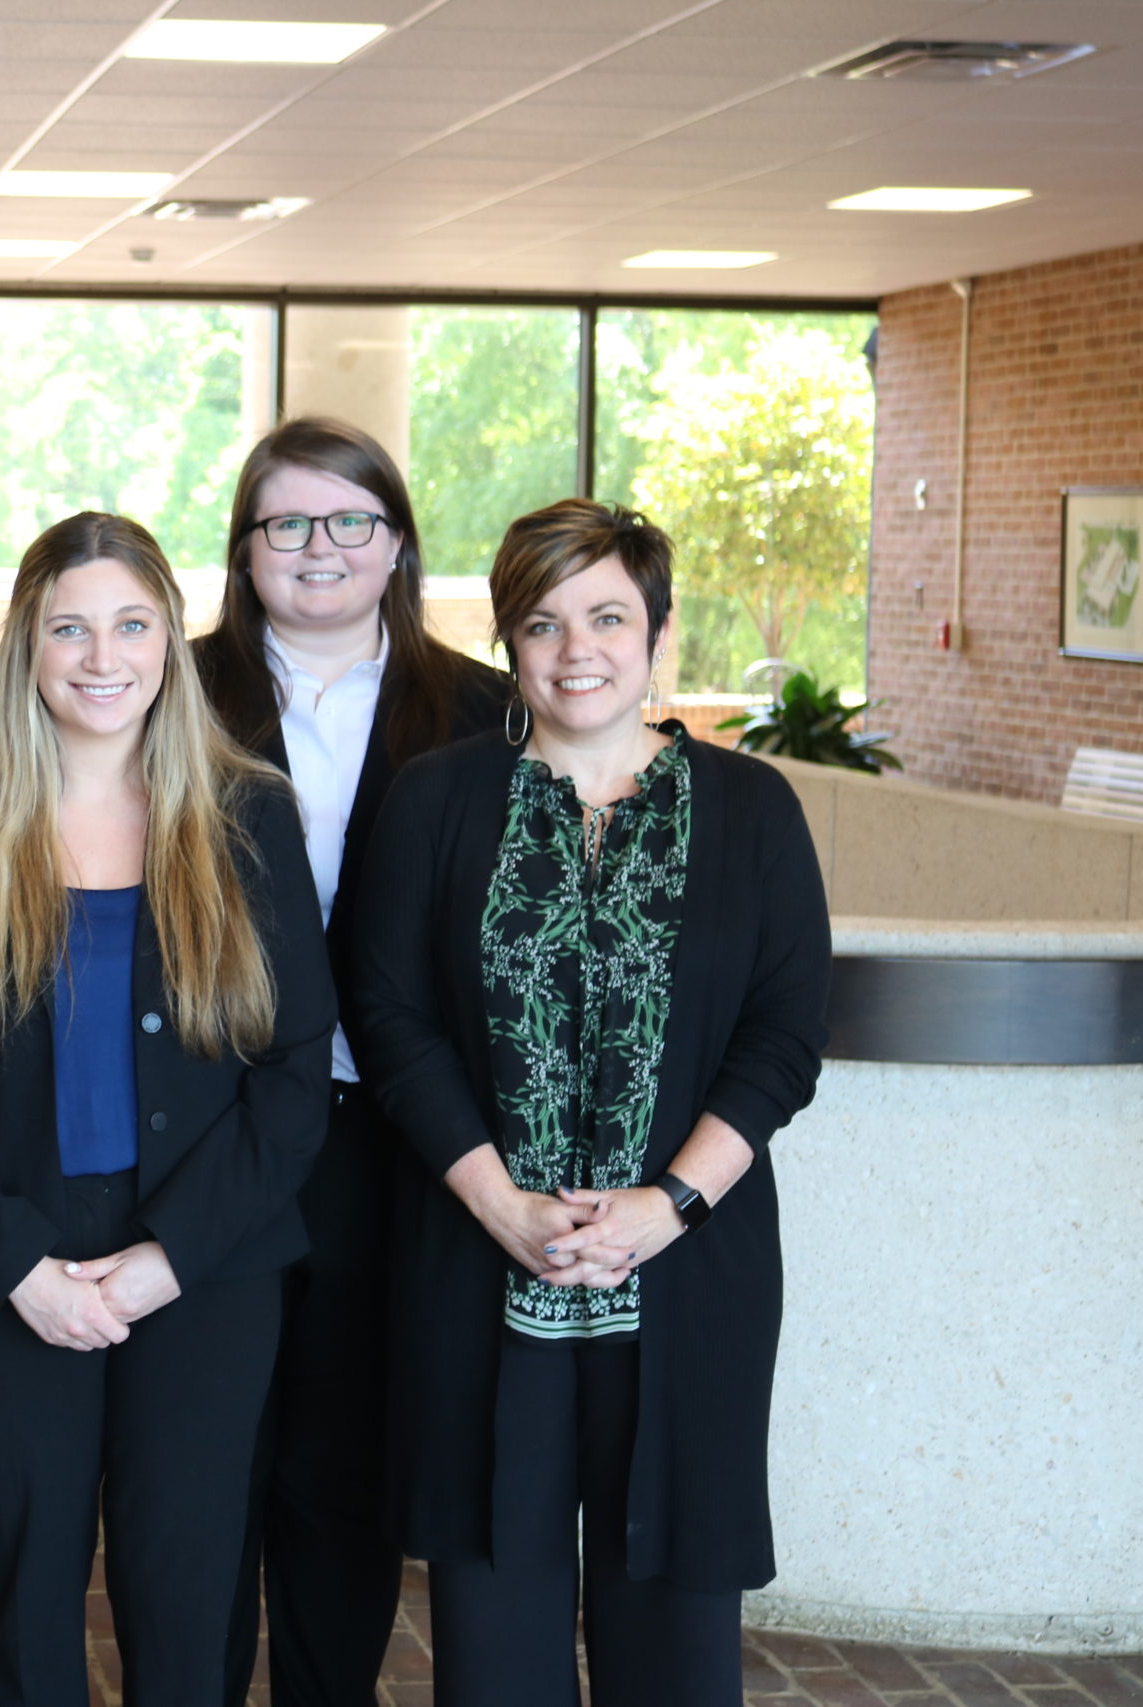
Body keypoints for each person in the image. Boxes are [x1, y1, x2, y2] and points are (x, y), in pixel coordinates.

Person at [350, 499, 832, 1707]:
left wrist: (668, 1205)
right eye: (543, 622)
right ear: (509, 643)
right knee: (492, 1623)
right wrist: (500, 1205)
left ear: (658, 631)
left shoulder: (752, 810)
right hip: (479, 1264)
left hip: (682, 1273)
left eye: (608, 616)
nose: (578, 650)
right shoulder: (434, 799)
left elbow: (783, 1041)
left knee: (672, 1625)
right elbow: (390, 1021)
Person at [0, 511, 336, 1707]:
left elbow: (291, 1079)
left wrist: (166, 1263)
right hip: (11, 1268)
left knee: (188, 1601)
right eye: (69, 628)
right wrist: (16, 1263)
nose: (101, 656)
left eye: (132, 625)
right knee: (25, 1605)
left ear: (170, 642)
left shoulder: (245, 819)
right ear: (25, 645)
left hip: (206, 1276)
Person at [196, 415, 511, 1707]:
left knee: (346, 1468)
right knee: (203, 1461)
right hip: (207, 1132)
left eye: (350, 521)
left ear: (396, 544)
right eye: (286, 522)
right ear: (245, 547)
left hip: (397, 1140)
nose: (318, 547)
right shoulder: (175, 684)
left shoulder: (486, 707)